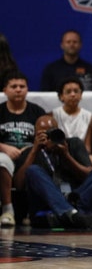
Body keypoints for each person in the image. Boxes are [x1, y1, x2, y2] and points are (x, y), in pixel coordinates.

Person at [13, 115, 92, 229]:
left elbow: (87, 177)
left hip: (76, 200)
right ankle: (74, 215)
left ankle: (70, 214)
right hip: (47, 207)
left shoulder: (73, 144)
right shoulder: (31, 152)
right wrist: (35, 150)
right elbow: (19, 184)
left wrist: (66, 156)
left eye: (52, 132)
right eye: (44, 134)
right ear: (35, 134)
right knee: (32, 170)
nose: (49, 137)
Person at [0, 70, 46, 227]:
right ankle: (8, 210)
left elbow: (45, 138)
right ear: (4, 90)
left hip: (30, 153)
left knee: (38, 158)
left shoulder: (37, 111)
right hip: (5, 155)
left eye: (22, 86)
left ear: (27, 89)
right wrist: (3, 147)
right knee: (2, 161)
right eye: (13, 86)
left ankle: (35, 212)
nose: (18, 89)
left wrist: (32, 148)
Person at [50, 76, 92, 166]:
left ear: (81, 95)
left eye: (76, 91)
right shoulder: (53, 115)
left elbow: (88, 147)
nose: (73, 95)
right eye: (68, 92)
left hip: (81, 153)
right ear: (61, 96)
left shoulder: (89, 116)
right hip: (60, 153)